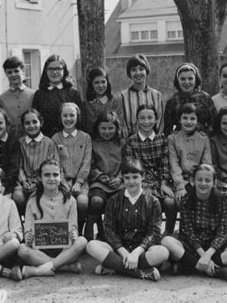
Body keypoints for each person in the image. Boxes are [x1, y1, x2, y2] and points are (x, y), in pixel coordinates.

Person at [161, 164, 227, 281]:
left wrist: (208, 255)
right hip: (192, 247)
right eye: (199, 180)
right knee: (167, 241)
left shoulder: (221, 201)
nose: (203, 183)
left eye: (207, 180)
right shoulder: (186, 201)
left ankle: (189, 266)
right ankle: (214, 271)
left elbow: (223, 232)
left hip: (214, 249)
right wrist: (203, 255)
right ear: (192, 181)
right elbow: (188, 233)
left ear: (214, 182)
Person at [87, 159, 169, 281]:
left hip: (142, 250)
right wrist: (124, 252)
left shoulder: (153, 201)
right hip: (118, 250)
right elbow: (109, 230)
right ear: (123, 179)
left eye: (135, 177)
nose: (131, 182)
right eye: (127, 178)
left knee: (163, 252)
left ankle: (114, 267)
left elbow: (154, 232)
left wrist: (136, 253)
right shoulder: (114, 200)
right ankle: (140, 273)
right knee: (91, 245)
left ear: (143, 176)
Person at [17, 159, 87, 278]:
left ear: (61, 177)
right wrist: (28, 237)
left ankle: (39, 270)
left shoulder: (70, 200)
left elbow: (73, 226)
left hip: (65, 249)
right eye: (47, 175)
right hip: (40, 251)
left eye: (55, 175)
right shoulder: (32, 201)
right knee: (22, 249)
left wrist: (74, 234)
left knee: (82, 241)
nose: (51, 178)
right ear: (40, 177)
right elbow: (28, 229)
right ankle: (64, 266)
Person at [125, 105, 176, 234]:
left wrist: (164, 183)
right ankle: (147, 234)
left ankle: (168, 233)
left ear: (156, 119)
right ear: (137, 120)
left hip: (161, 181)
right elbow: (132, 166)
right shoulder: (132, 141)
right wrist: (142, 184)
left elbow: (165, 164)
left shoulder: (162, 139)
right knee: (146, 201)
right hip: (141, 181)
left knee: (170, 203)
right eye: (142, 118)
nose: (146, 122)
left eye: (150, 118)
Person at [52, 102, 92, 236]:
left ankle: (78, 230)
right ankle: (63, 234)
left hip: (81, 181)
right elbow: (56, 164)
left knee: (82, 202)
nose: (68, 119)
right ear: (60, 117)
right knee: (64, 201)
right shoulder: (56, 138)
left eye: (72, 115)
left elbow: (86, 162)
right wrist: (63, 183)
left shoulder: (85, 138)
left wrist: (79, 182)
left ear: (77, 117)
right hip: (62, 182)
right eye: (65, 115)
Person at [85, 110, 125, 241]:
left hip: (118, 182)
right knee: (96, 201)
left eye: (110, 128)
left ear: (116, 128)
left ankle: (113, 232)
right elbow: (89, 164)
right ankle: (91, 229)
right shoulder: (93, 143)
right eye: (103, 128)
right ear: (97, 127)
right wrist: (101, 176)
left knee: (121, 202)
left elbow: (127, 163)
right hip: (99, 182)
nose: (107, 132)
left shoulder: (122, 143)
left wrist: (120, 178)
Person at [168, 103, 212, 202]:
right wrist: (180, 186)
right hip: (178, 181)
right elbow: (173, 164)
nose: (188, 122)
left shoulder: (203, 139)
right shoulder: (173, 139)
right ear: (179, 120)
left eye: (192, 119)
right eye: (185, 118)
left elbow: (206, 164)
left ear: (197, 121)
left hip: (199, 180)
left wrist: (198, 182)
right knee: (178, 201)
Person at [18, 109, 60, 211]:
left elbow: (53, 166)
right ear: (23, 126)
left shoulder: (49, 143)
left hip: (43, 181)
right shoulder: (20, 143)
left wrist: (37, 182)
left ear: (41, 123)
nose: (31, 125)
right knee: (18, 196)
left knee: (41, 196)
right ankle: (22, 225)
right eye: (27, 123)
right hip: (23, 182)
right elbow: (18, 166)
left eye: (34, 122)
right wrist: (23, 181)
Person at [32, 55, 82, 137]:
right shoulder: (39, 94)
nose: (54, 72)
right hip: (46, 139)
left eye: (58, 69)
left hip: (69, 139)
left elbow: (80, 121)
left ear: (64, 70)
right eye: (51, 69)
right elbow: (35, 120)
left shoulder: (73, 93)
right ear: (45, 71)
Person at [164, 62, 217, 136]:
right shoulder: (172, 101)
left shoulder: (205, 98)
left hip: (202, 141)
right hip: (180, 143)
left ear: (196, 79)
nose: (187, 82)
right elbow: (167, 128)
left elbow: (214, 123)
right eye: (183, 79)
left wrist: (206, 135)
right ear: (177, 80)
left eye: (190, 78)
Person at [119, 54, 164, 137]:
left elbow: (160, 121)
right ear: (129, 73)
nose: (138, 73)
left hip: (153, 140)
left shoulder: (157, 95)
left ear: (146, 71)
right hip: (131, 140)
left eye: (141, 69)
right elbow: (122, 123)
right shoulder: (123, 96)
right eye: (134, 70)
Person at [0, 56, 36, 138]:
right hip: (10, 140)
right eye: (9, 72)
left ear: (23, 71)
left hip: (31, 137)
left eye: (16, 71)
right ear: (6, 74)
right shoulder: (1, 98)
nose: (13, 74)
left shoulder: (33, 94)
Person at [82, 67, 125, 137]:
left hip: (112, 141)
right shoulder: (85, 103)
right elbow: (83, 126)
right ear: (91, 84)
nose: (100, 85)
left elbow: (120, 123)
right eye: (96, 83)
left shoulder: (114, 101)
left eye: (103, 82)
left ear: (107, 82)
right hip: (92, 142)